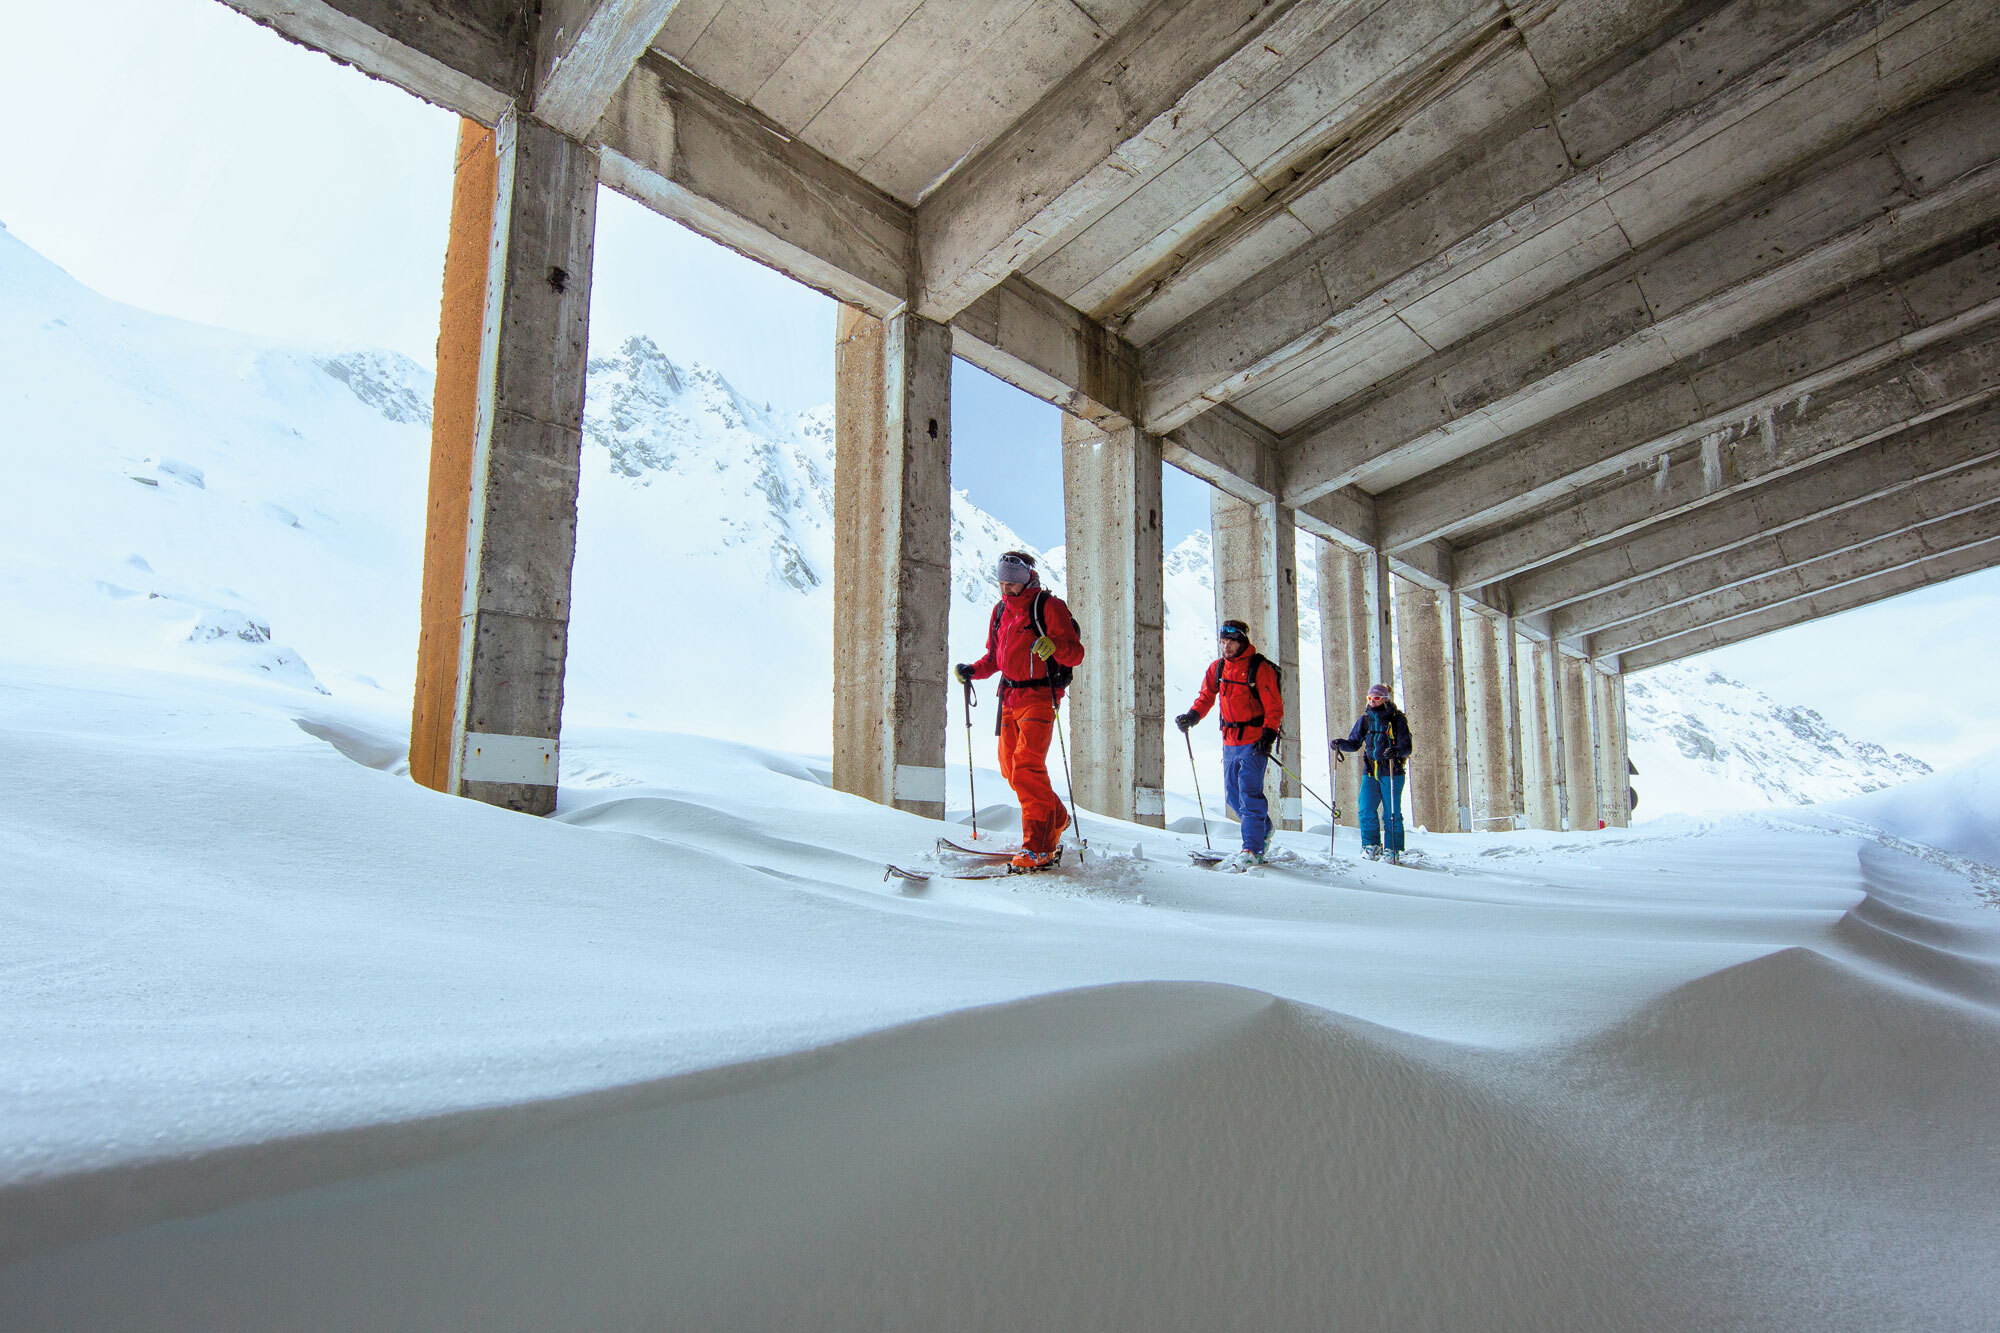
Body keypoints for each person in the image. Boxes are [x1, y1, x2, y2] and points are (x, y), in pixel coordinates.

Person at [954, 551, 1085, 872]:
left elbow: (1076, 653)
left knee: (1027, 767)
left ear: (1027, 578)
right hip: (1008, 697)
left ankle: (1038, 846)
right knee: (1010, 769)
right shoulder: (1000, 611)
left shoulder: (1048, 607)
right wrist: (972, 670)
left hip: (1040, 696)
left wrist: (1055, 646)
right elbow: (994, 659)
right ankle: (1056, 816)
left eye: (1012, 582)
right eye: (1002, 582)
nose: (1006, 588)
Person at [1174, 619, 1284, 871]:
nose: (1225, 647)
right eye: (1222, 642)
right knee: (1234, 798)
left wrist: (1268, 735)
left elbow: (1274, 706)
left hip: (1254, 742)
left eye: (1230, 642)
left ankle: (1252, 849)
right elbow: (1206, 697)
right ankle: (1263, 829)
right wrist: (1192, 716)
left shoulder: (1260, 668)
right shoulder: (1217, 668)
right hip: (1229, 743)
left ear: (1242, 641)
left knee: (1249, 794)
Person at [1332, 682, 1412, 863]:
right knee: (1366, 809)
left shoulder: (1397, 719)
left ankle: (1393, 849)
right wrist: (1340, 744)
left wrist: (1396, 751)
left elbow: (1407, 746)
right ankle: (1370, 845)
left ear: (1385, 699)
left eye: (1377, 698)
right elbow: (1354, 743)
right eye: (1370, 698)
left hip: (1392, 771)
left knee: (1391, 813)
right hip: (1370, 772)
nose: (1373, 701)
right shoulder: (1365, 720)